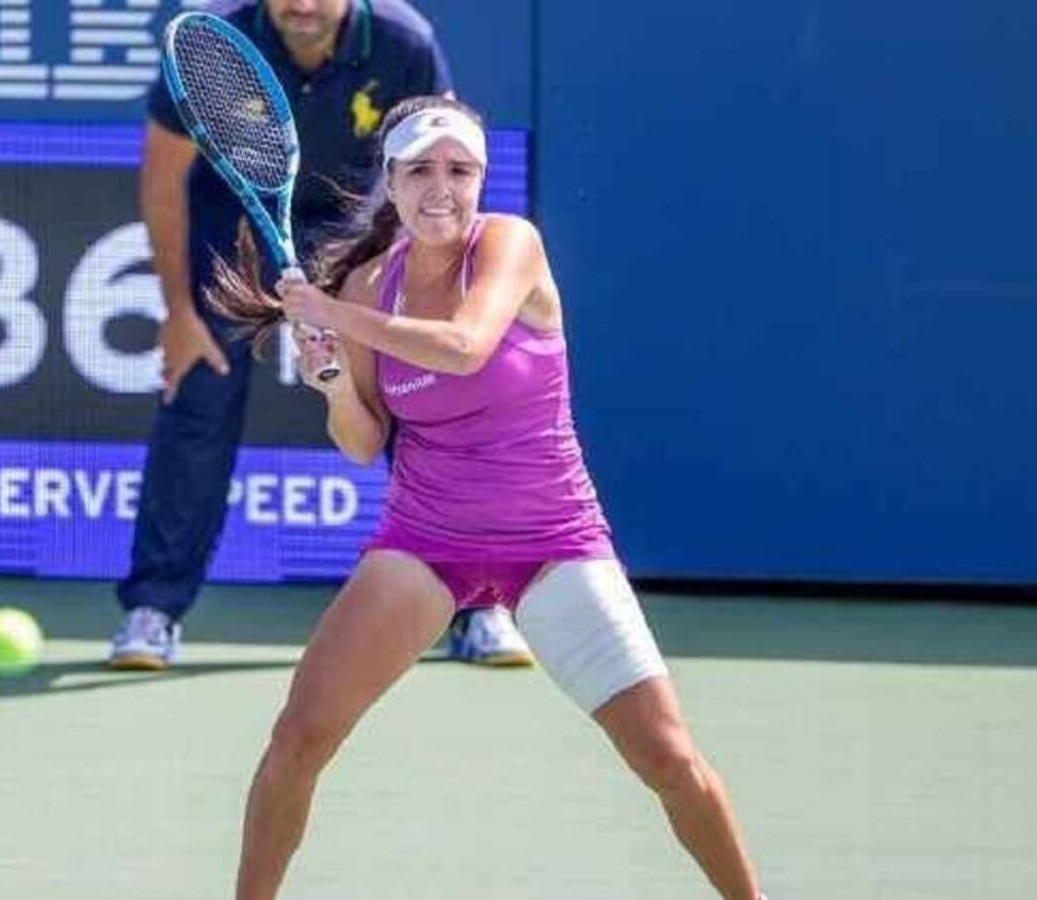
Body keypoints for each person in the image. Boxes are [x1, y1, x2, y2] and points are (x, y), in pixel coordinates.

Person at [215, 95, 769, 900]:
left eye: (460, 170)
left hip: (554, 542)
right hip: (424, 543)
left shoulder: (510, 244)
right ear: (392, 183)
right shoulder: (371, 283)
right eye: (421, 171)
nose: (442, 188)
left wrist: (333, 313)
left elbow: (468, 348)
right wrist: (333, 382)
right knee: (297, 739)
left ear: (481, 179)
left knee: (669, 760)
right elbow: (366, 441)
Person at [109, 0, 533, 670]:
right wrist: (179, 314)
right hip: (238, 226)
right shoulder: (218, 37)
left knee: (423, 400)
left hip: (359, 220)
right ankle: (153, 610)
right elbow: (163, 179)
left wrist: (426, 286)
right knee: (196, 402)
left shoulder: (404, 43)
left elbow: (446, 166)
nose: (302, 5)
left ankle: (479, 605)